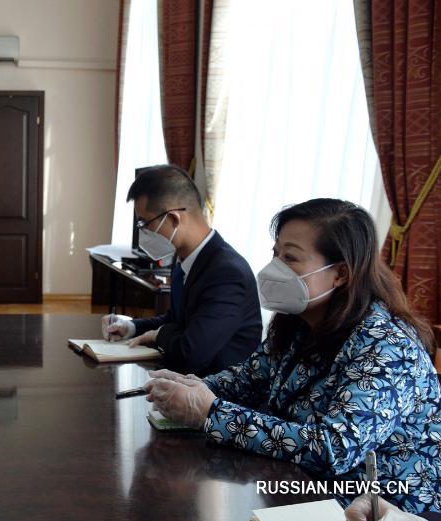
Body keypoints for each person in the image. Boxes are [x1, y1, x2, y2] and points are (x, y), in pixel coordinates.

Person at [144, 198, 441, 515]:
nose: (275, 267)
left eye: (290, 257)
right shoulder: (300, 323)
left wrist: (211, 413)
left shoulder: (388, 346)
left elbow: (334, 449)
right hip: (299, 486)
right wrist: (192, 387)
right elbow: (247, 379)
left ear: (340, 273)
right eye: (276, 254)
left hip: (378, 507)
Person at [103, 165, 262, 375]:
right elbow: (176, 320)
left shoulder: (227, 273)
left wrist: (159, 335)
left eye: (144, 223)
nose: (142, 232)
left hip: (218, 389)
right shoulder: (183, 261)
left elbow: (192, 353)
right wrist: (131, 326)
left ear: (173, 219)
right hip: (185, 380)